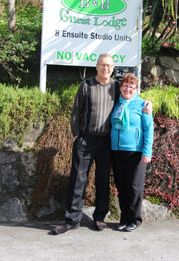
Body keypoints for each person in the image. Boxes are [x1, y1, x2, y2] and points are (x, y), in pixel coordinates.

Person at [50, 54, 151, 235]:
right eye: (103, 65)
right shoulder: (86, 86)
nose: (106, 68)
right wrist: (76, 135)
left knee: (102, 181)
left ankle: (99, 217)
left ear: (113, 68)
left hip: (106, 142)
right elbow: (76, 111)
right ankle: (71, 220)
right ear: (96, 66)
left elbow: (133, 99)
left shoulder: (115, 87)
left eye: (109, 66)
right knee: (78, 180)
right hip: (85, 139)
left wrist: (149, 104)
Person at [110, 73, 154, 232]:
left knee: (134, 187)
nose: (128, 89)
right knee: (121, 186)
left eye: (132, 86)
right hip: (117, 151)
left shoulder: (143, 104)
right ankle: (124, 218)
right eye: (125, 85)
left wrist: (147, 152)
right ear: (121, 87)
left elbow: (149, 129)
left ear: (136, 89)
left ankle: (135, 219)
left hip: (136, 152)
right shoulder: (116, 104)